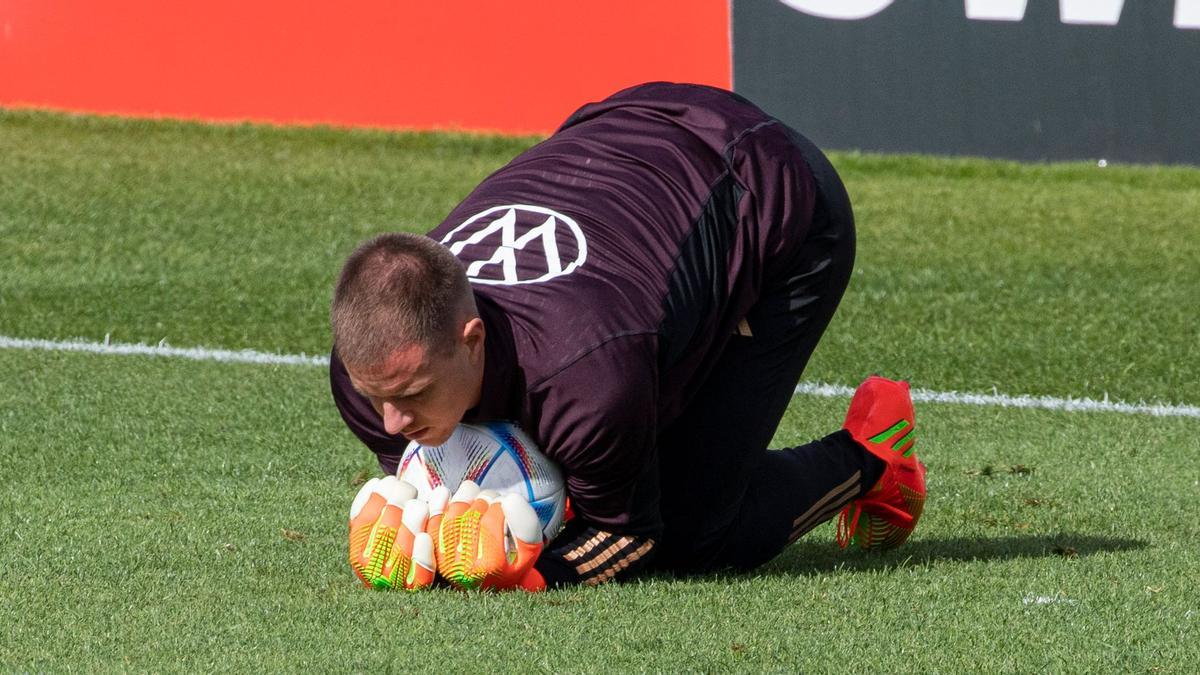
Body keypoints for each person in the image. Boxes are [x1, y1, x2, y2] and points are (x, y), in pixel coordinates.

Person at [331, 82, 926, 591]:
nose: (390, 422)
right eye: (376, 396)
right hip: (616, 140)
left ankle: (873, 459)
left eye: (411, 395)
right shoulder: (371, 376)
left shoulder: (586, 377)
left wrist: (532, 573)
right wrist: (426, 534)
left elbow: (630, 536)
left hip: (771, 191)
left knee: (692, 531)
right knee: (605, 455)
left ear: (471, 339)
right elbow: (447, 475)